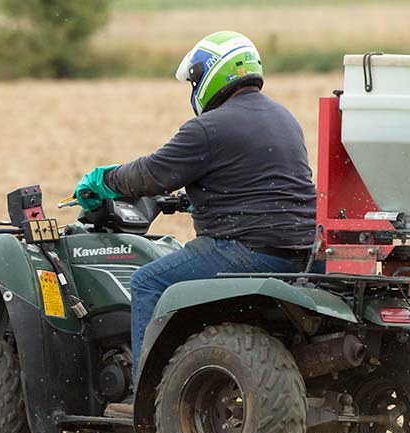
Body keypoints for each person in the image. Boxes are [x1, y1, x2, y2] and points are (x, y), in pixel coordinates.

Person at [73, 31, 317, 381]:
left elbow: (150, 175)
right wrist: (195, 200)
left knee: (146, 283)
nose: (194, 88)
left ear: (212, 74)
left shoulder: (209, 127)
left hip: (245, 249)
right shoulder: (284, 118)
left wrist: (104, 180)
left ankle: (148, 391)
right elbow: (262, 183)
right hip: (297, 250)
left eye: (195, 80)